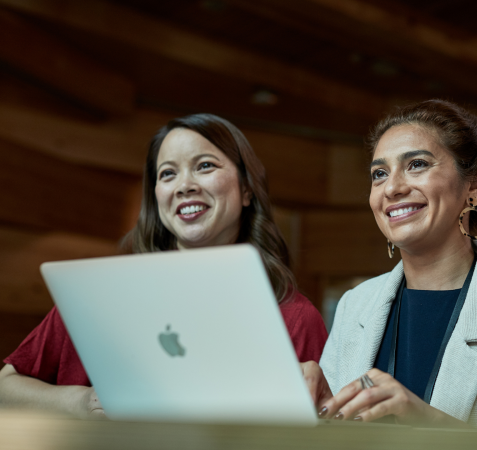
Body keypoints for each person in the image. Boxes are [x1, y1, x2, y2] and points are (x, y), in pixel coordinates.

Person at [0, 113, 328, 419]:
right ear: (157, 197)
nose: (184, 185)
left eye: (204, 166)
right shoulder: (97, 298)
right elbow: (6, 385)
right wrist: (80, 402)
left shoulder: (296, 318)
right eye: (168, 173)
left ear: (246, 189)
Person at [301, 100, 477, 430]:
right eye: (379, 174)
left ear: (474, 185)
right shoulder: (356, 304)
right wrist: (319, 410)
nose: (393, 187)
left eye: (417, 165)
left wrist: (422, 419)